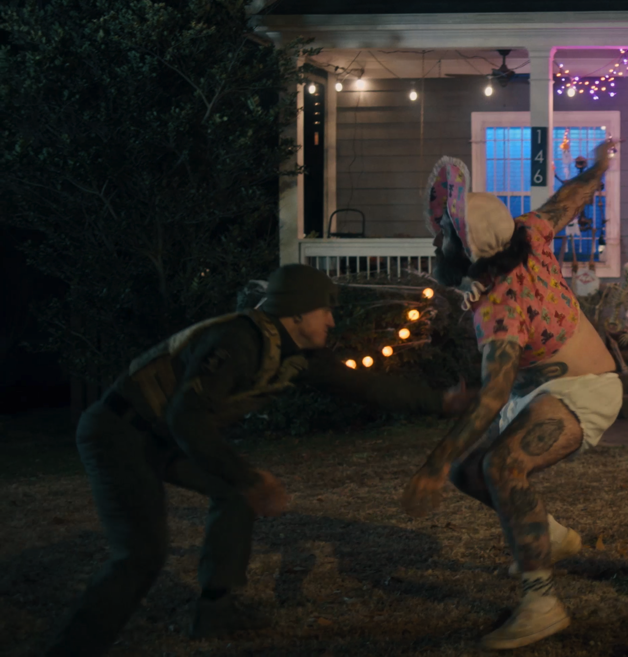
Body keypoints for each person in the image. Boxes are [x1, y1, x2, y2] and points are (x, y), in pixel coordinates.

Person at [48, 264, 472, 656]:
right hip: (120, 432)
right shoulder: (238, 341)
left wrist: (439, 402)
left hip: (163, 434)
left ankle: (215, 610)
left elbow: (363, 386)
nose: (331, 320)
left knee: (233, 496)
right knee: (141, 556)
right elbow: (186, 415)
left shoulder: (296, 355)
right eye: (323, 310)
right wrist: (248, 476)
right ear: (296, 314)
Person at [401, 143, 623, 650]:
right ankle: (550, 533)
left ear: (466, 246)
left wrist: (431, 466)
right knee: (469, 471)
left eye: (445, 235)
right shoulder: (528, 231)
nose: (437, 243)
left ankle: (542, 603)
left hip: (581, 391)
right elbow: (569, 196)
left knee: (500, 466)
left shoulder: (498, 305)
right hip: (540, 391)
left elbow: (493, 393)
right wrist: (599, 167)